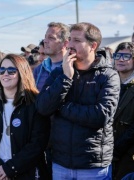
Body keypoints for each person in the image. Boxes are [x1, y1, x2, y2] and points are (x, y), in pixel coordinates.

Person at [35, 22, 120, 179]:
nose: (70, 44)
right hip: (60, 162)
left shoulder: (108, 76)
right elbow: (42, 107)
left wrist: (61, 107)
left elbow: (100, 116)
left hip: (93, 165)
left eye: (77, 40)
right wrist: (66, 78)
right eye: (69, 39)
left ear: (93, 45)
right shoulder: (60, 72)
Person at [0, 54, 50, 179]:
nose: (5, 74)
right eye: (1, 70)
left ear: (22, 72)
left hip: (26, 173)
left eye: (11, 70)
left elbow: (38, 143)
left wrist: (11, 168)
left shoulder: (35, 103)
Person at [112, 42, 134, 179]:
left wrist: (118, 148)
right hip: (106, 152)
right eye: (118, 55)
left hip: (127, 155)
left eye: (126, 56)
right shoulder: (108, 83)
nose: (120, 59)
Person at [33, 22, 69, 91]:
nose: (45, 41)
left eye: (51, 38)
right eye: (45, 37)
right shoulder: (39, 69)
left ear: (65, 43)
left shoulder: (74, 67)